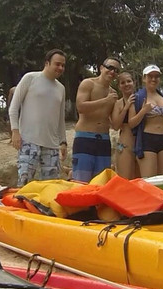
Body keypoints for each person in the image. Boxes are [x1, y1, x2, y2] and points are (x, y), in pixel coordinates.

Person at [9, 49, 68, 186]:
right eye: (57, 64)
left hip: (51, 145)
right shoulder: (30, 78)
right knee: (24, 183)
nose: (60, 68)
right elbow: (14, 107)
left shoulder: (61, 88)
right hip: (29, 141)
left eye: (63, 65)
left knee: (50, 186)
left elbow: (60, 118)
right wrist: (15, 131)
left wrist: (63, 142)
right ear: (47, 63)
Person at [73, 57, 121, 183]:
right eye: (110, 67)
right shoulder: (88, 84)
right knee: (81, 182)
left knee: (101, 182)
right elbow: (81, 107)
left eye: (116, 70)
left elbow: (115, 124)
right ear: (101, 68)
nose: (112, 72)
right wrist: (105, 101)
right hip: (85, 138)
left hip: (104, 140)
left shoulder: (113, 93)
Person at [130, 65, 163, 177]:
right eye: (150, 76)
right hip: (147, 139)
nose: (153, 79)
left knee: (162, 179)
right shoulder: (138, 97)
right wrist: (143, 111)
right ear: (144, 78)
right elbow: (131, 123)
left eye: (156, 76)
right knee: (150, 181)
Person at [110, 70, 137, 179]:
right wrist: (126, 107)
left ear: (133, 83)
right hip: (125, 145)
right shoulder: (118, 104)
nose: (126, 84)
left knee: (141, 182)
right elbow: (115, 126)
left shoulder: (142, 99)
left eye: (128, 81)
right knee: (125, 180)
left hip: (143, 144)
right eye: (123, 83)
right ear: (119, 86)